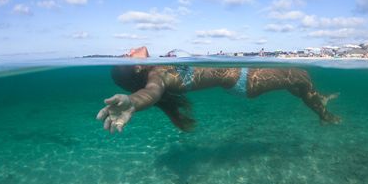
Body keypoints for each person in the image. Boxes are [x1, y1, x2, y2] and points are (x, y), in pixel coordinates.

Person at [97, 46, 340, 133]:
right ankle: (324, 114)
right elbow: (151, 93)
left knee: (297, 83)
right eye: (125, 56)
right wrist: (133, 102)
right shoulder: (156, 75)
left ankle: (317, 100)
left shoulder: (159, 66)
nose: (129, 50)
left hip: (242, 78)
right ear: (137, 67)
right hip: (245, 79)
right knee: (301, 76)